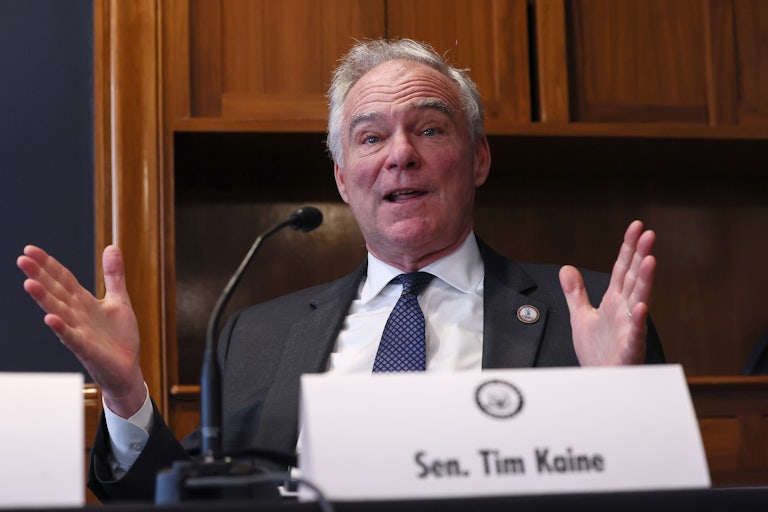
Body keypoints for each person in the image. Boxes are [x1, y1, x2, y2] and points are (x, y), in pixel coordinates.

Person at [17, 38, 664, 502]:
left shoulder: (587, 313)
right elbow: (189, 501)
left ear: (478, 159)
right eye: (372, 136)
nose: (401, 156)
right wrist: (126, 394)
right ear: (342, 178)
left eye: (431, 130)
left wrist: (615, 404)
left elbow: (662, 492)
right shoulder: (257, 337)